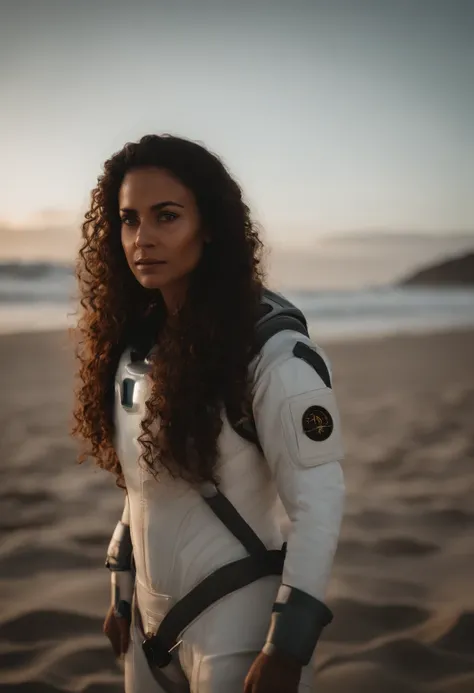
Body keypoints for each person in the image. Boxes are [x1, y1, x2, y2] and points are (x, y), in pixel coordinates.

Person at [71, 133, 345, 693]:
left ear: (211, 226)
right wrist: (121, 595)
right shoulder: (136, 349)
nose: (142, 239)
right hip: (147, 631)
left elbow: (319, 501)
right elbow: (142, 489)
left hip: (240, 629)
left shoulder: (271, 352)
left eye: (166, 216)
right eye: (129, 219)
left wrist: (288, 646)